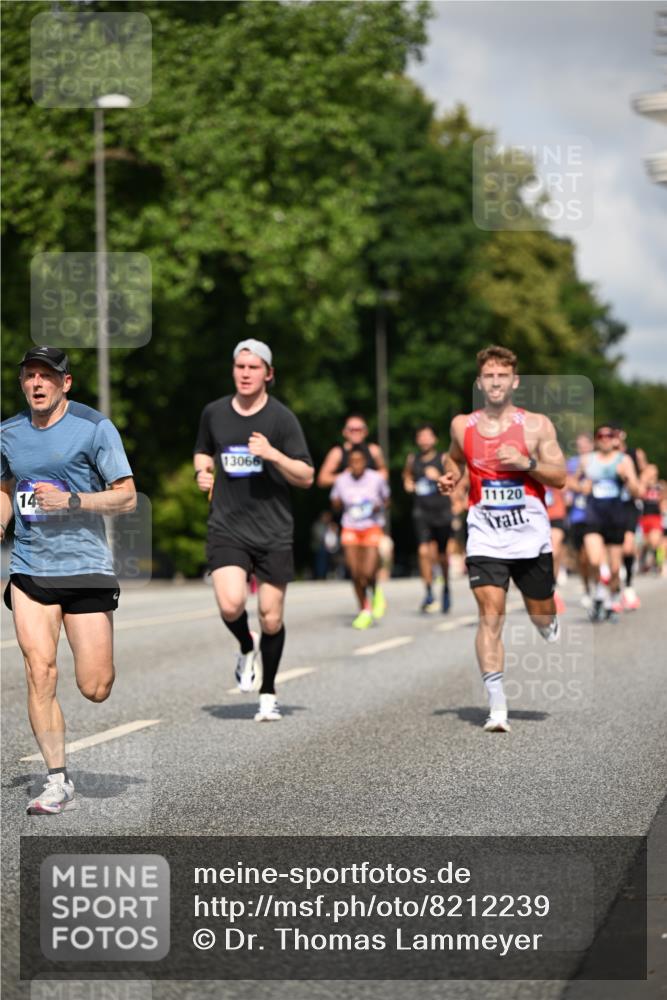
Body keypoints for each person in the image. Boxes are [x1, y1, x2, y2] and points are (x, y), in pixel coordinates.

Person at [1, 346, 136, 814]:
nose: (36, 383)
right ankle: (57, 780)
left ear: (66, 382)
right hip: (30, 569)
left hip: (86, 568)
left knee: (95, 686)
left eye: (46, 376)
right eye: (29, 376)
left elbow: (127, 498)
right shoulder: (9, 434)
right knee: (40, 671)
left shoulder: (94, 427)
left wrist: (72, 501)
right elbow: (5, 489)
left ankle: (94, 686)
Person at [439, 345, 566, 734]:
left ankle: (547, 620)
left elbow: (560, 477)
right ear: (480, 382)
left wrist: (525, 463)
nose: (495, 382)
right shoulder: (463, 425)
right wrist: (451, 477)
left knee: (540, 610)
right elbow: (454, 458)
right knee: (490, 613)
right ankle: (497, 706)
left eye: (502, 376)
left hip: (529, 534)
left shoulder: (537, 426)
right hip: (485, 533)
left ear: (514, 381)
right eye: (488, 376)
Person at [194, 340, 313, 721]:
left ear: (269, 374)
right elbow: (202, 449)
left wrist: (274, 454)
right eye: (240, 366)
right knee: (230, 604)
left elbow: (307, 476)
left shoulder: (281, 420)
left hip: (273, 531)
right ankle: (247, 647)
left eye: (253, 367)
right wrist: (202, 470)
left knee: (271, 618)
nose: (245, 373)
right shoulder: (214, 413)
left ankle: (268, 693)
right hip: (227, 525)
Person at [576, 425, 641, 622]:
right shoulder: (587, 460)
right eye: (601, 435)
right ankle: (599, 594)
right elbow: (568, 481)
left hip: (616, 517)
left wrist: (627, 479)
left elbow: (637, 492)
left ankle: (609, 598)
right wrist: (580, 486)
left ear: (614, 439)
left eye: (609, 436)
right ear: (596, 439)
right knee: (595, 561)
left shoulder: (624, 460)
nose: (605, 439)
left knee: (614, 569)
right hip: (594, 516)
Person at [330, 445, 390, 629]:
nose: (356, 465)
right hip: (350, 527)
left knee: (368, 571)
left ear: (365, 462)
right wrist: (338, 503)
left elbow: (387, 499)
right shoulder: (341, 480)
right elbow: (335, 502)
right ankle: (364, 608)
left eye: (359, 461)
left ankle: (375, 589)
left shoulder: (376, 479)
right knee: (355, 572)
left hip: (371, 527)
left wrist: (377, 506)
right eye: (352, 461)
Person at [403, 424, 452, 613]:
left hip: (442, 511)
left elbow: (454, 480)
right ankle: (429, 591)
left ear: (435, 439)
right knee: (424, 552)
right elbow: (407, 477)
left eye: (427, 436)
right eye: (420, 436)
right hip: (421, 511)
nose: (424, 439)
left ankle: (446, 586)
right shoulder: (412, 459)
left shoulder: (443, 458)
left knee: (441, 554)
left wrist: (438, 476)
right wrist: (408, 484)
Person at [316, 414, 387, 488]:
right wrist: (346, 476)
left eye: (359, 429)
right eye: (352, 430)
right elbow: (322, 479)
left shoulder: (374, 450)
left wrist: (366, 476)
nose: (356, 432)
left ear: (366, 432)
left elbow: (384, 473)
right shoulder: (337, 452)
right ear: (344, 432)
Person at [565, 433, 594, 608]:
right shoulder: (572, 463)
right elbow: (568, 483)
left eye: (585, 445)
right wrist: (579, 472)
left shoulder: (599, 460)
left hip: (597, 514)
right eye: (579, 445)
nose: (582, 448)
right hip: (577, 515)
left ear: (592, 445)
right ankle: (587, 589)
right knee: (582, 557)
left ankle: (601, 585)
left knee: (594, 554)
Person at [545, 486, 567, 614]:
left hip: (556, 515)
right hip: (535, 515)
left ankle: (553, 589)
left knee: (553, 552)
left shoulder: (556, 466)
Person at [639, 464, 663, 573]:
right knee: (645, 542)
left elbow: (663, 500)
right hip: (644, 517)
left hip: (656, 517)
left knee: (656, 541)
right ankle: (643, 561)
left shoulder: (660, 486)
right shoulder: (643, 485)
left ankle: (659, 563)